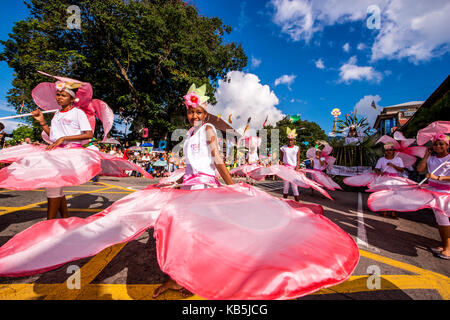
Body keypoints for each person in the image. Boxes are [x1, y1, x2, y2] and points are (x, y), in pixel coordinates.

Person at [416, 134, 450, 259]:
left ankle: (448, 249)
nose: (438, 146)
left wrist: (438, 177)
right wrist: (426, 155)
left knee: (443, 220)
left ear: (447, 145)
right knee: (440, 220)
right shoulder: (431, 158)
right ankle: (445, 245)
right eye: (435, 144)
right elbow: (420, 169)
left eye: (441, 144)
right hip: (433, 191)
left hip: (447, 193)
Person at [280, 128, 301, 202]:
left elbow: (298, 159)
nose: (290, 141)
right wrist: (281, 166)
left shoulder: (297, 148)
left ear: (294, 140)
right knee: (286, 186)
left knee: (294, 186)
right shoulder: (283, 148)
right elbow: (281, 159)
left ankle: (297, 203)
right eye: (289, 140)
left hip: (294, 169)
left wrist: (297, 168)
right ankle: (284, 202)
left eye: (292, 140)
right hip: (286, 168)